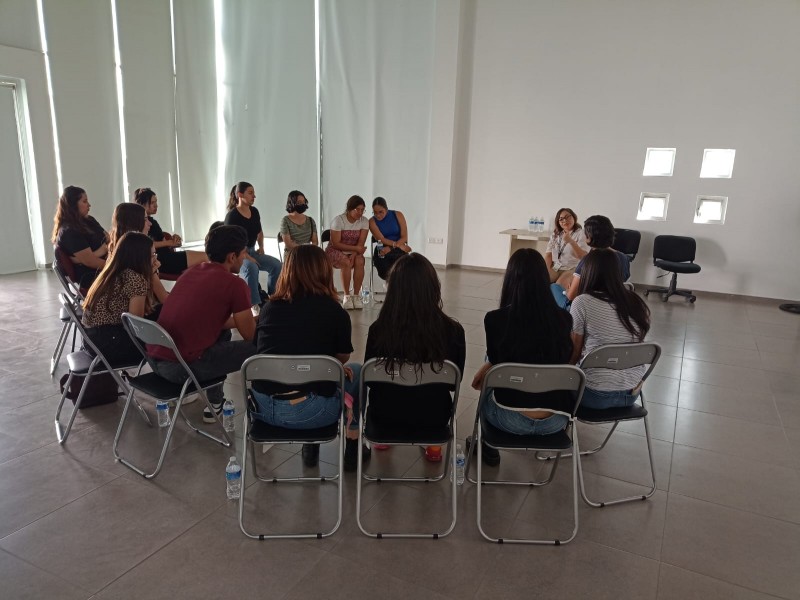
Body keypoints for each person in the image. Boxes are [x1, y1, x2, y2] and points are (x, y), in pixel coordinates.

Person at [250, 244, 368, 470]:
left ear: (287, 271)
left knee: (311, 373)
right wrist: (325, 366)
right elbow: (342, 356)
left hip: (262, 408)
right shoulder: (335, 312)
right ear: (324, 271)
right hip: (313, 413)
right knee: (357, 371)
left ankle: (310, 446)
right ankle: (353, 445)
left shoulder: (269, 309)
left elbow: (263, 355)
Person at [470, 248, 574, 466]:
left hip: (508, 418)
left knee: (491, 371)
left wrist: (487, 367)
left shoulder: (496, 319)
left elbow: (495, 363)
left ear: (510, 279)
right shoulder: (564, 319)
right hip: (556, 420)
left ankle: (487, 446)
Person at [149, 224, 257, 422]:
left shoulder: (190, 273)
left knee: (222, 333)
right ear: (232, 257)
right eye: (244, 253)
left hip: (156, 362)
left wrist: (248, 320)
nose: (246, 258)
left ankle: (215, 403)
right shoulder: (235, 284)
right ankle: (268, 408)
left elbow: (210, 320)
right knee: (263, 347)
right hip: (183, 369)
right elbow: (250, 335)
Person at [364, 253, 465, 463]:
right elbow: (454, 383)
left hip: (384, 416)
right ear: (433, 288)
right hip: (434, 419)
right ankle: (433, 445)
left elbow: (370, 380)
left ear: (393, 290)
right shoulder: (453, 331)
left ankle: (383, 440)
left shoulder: (378, 330)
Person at [569, 248, 651, 409]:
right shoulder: (635, 301)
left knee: (553, 383)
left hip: (593, 396)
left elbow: (575, 352)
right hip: (631, 394)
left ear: (588, 272)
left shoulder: (582, 302)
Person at [81, 232, 168, 366]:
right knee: (166, 322)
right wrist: (152, 275)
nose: (156, 260)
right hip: (107, 345)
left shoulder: (113, 270)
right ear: (140, 258)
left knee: (161, 312)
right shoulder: (135, 278)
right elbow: (137, 324)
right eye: (152, 255)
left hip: (91, 339)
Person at [224, 181, 283, 316]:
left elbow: (259, 233)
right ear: (240, 195)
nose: (254, 196)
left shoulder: (254, 211)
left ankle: (273, 297)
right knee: (252, 267)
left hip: (251, 251)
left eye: (254, 193)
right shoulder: (232, 216)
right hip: (237, 254)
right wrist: (246, 256)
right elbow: (230, 242)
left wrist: (261, 247)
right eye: (250, 193)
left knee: (276, 265)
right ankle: (254, 305)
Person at [551, 215, 631, 309]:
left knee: (554, 287)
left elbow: (571, 296)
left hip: (587, 308)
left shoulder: (588, 260)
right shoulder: (624, 258)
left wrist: (569, 291)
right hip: (615, 306)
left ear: (589, 237)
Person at [133, 187, 208, 274]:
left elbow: (164, 244)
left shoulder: (153, 222)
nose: (156, 205)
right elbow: (145, 244)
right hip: (161, 260)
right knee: (206, 256)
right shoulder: (139, 223)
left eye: (156, 202)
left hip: (166, 256)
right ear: (142, 204)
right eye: (152, 202)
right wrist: (169, 242)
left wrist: (174, 242)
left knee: (205, 257)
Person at [52, 186, 109, 289]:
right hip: (92, 275)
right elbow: (90, 262)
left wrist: (97, 253)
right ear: (73, 205)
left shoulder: (89, 220)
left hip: (103, 265)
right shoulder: (69, 231)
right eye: (84, 201)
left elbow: (108, 238)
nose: (89, 205)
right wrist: (115, 267)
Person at [325, 195, 369, 310]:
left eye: (362, 210)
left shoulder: (364, 221)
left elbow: (361, 243)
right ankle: (347, 296)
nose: (360, 213)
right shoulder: (338, 220)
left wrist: (354, 253)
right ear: (350, 208)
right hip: (335, 250)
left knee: (360, 261)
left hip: (354, 251)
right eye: (357, 209)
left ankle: (356, 296)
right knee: (346, 262)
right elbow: (336, 243)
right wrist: (356, 250)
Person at [368, 196, 411, 280]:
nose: (378, 215)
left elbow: (404, 237)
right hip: (382, 247)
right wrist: (397, 245)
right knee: (384, 269)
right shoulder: (371, 221)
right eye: (375, 212)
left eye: (381, 212)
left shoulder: (398, 215)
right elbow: (381, 239)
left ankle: (395, 285)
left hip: (399, 246)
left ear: (386, 209)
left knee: (403, 266)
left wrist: (391, 248)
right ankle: (392, 284)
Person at [544, 207, 589, 288]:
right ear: (558, 222)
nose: (565, 221)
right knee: (539, 280)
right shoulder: (556, 234)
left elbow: (583, 257)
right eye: (561, 219)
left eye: (568, 217)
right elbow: (548, 255)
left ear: (574, 217)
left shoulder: (581, 233)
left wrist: (571, 241)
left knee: (557, 287)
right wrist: (545, 270)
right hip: (555, 267)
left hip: (572, 268)